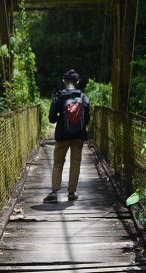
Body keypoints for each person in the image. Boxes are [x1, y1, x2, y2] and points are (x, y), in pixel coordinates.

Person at [44, 69, 91, 203]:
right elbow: (87, 119)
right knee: (75, 163)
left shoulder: (59, 97)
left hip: (62, 136)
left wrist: (62, 118)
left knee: (58, 163)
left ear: (64, 82)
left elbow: (52, 119)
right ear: (77, 82)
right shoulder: (83, 98)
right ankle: (71, 193)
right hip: (79, 136)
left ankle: (54, 193)